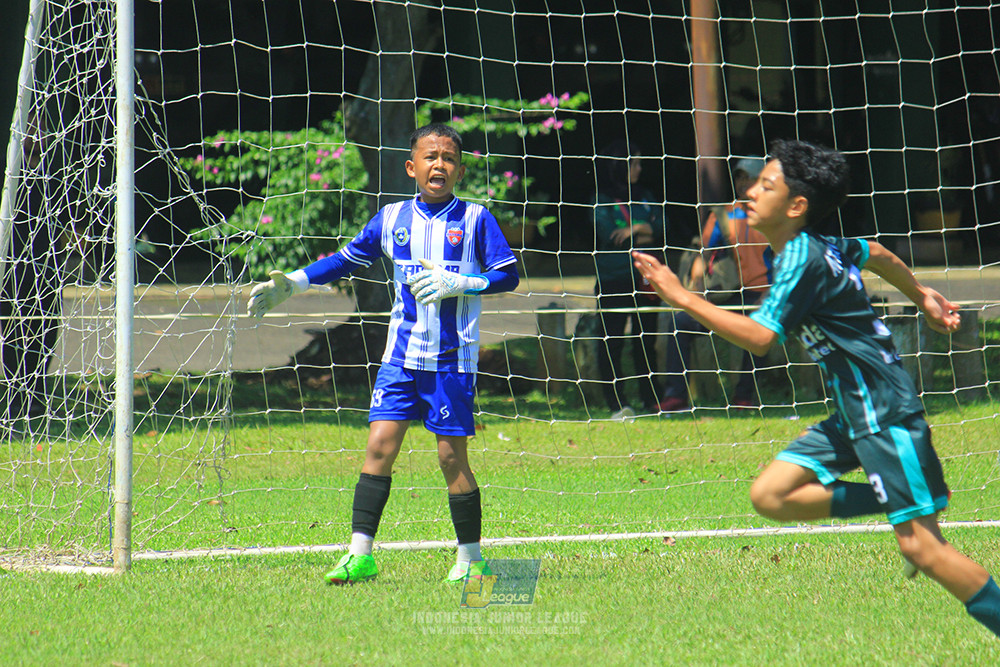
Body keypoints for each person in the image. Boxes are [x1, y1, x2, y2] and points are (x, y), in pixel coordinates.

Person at [632, 139, 1000, 638]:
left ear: (796, 206)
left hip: (883, 411)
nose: (750, 193)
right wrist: (923, 297)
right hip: (855, 413)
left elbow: (761, 338)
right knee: (771, 494)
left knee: (923, 550)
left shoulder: (801, 259)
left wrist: (679, 295)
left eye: (766, 185)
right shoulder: (813, 248)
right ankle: (892, 496)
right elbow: (877, 252)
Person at [247, 123, 519, 585]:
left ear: (460, 169)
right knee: (378, 448)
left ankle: (471, 558)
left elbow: (508, 274)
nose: (440, 164)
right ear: (412, 167)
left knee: (451, 458)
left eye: (448, 158)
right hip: (400, 359)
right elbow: (347, 259)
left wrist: (467, 282)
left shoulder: (475, 219)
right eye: (430, 157)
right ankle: (360, 555)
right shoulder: (392, 218)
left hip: (452, 362)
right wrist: (294, 283)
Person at [658, 157, 772, 412]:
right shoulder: (724, 213)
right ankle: (676, 396)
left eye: (750, 177)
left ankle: (744, 396)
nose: (744, 183)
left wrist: (775, 293)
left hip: (764, 295)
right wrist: (696, 290)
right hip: (728, 294)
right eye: (740, 177)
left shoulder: (775, 214)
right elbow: (704, 252)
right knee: (680, 323)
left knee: (761, 325)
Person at [592, 139, 666, 419]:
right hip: (614, 278)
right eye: (633, 163)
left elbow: (662, 227)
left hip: (645, 279)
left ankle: (651, 400)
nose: (639, 168)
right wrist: (645, 231)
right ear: (618, 166)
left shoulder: (646, 196)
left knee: (645, 339)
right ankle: (616, 402)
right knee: (612, 341)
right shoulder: (602, 201)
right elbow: (609, 234)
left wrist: (636, 228)